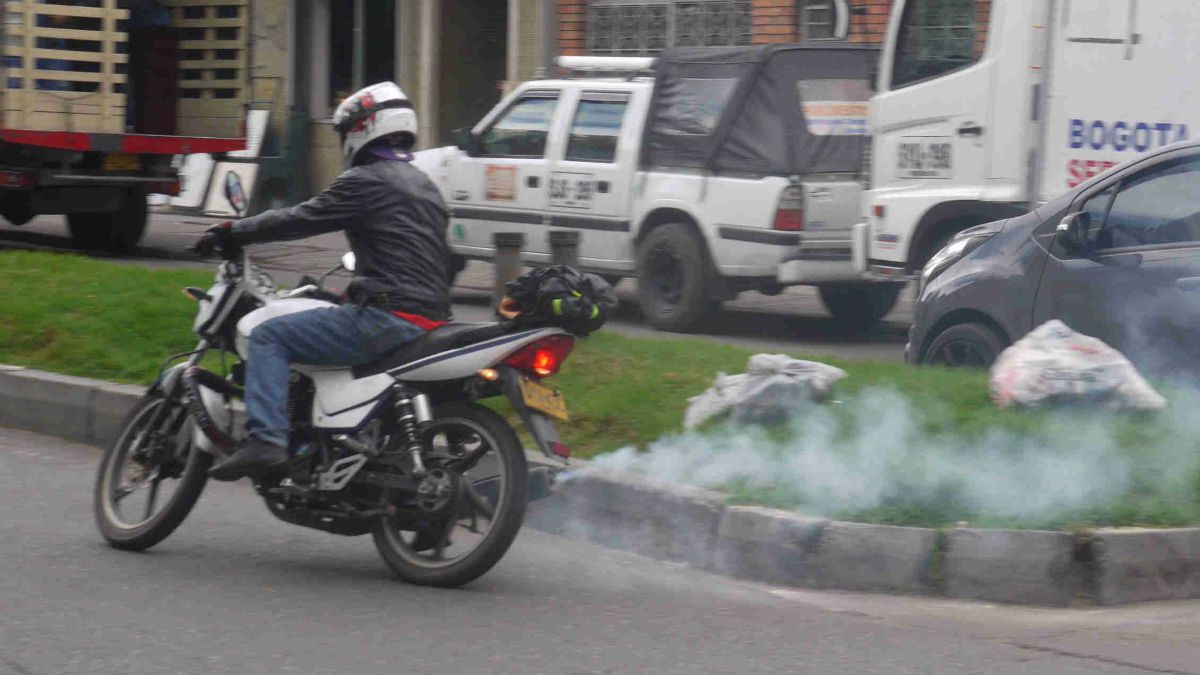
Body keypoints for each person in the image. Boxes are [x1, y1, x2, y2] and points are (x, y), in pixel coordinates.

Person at [194, 82, 451, 481]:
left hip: (386, 318)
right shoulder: (426, 187)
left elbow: (299, 219)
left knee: (269, 337)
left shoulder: (365, 180)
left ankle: (267, 441)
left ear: (362, 129)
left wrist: (232, 232)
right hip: (430, 318)